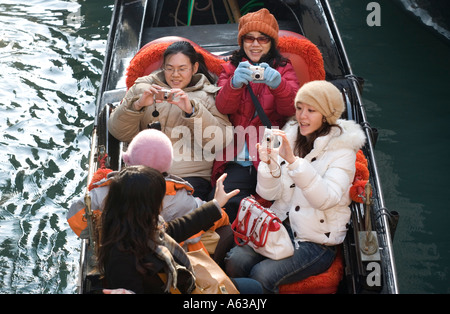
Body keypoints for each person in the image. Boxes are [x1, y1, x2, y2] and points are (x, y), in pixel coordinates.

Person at [224, 80, 366, 293]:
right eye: (299, 108)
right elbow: (268, 193)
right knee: (234, 260)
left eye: (311, 110)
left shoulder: (343, 151)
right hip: (279, 225)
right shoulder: (290, 136)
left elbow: (327, 199)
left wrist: (293, 162)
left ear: (326, 114)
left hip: (316, 241)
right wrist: (269, 165)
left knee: (262, 275)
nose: (302, 116)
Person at [67, 129, 233, 265]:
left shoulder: (106, 192)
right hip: (168, 259)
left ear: (127, 161)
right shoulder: (179, 198)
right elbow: (198, 219)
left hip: (122, 253)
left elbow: (76, 217)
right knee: (222, 233)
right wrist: (218, 206)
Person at [96, 165, 262, 294]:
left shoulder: (138, 228)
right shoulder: (120, 259)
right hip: (178, 288)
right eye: (159, 198)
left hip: (181, 283)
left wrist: (215, 205)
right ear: (145, 207)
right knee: (253, 288)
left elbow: (175, 229)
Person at [108, 40, 232, 199]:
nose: (175, 75)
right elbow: (119, 133)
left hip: (189, 177)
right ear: (163, 67)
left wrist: (192, 111)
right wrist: (137, 106)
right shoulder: (142, 89)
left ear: (194, 68)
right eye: (170, 68)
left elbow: (219, 141)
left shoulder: (209, 96)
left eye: (182, 69)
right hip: (143, 174)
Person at [210, 8, 300, 221]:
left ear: (272, 43)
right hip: (236, 156)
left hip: (267, 154)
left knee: (231, 206)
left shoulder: (284, 69)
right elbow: (223, 108)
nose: (255, 44)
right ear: (242, 42)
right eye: (249, 38)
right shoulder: (231, 68)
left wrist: (278, 85)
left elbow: (291, 110)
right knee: (219, 206)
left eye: (263, 39)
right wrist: (233, 85)